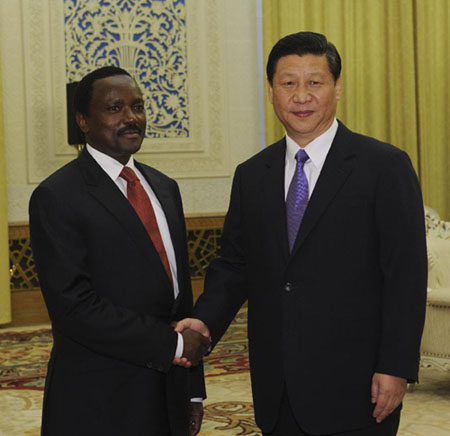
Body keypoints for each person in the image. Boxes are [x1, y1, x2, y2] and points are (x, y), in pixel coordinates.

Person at [175, 32, 428, 436]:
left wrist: (395, 366)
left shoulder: (384, 167)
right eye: (288, 83)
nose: (301, 96)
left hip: (358, 384)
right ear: (272, 91)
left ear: (337, 88)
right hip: (277, 385)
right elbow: (235, 264)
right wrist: (205, 322)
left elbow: (406, 277)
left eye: (315, 82)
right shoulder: (253, 174)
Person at [29, 66, 209, 436]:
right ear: (83, 120)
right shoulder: (57, 196)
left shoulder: (164, 187)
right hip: (100, 399)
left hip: (169, 390)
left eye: (138, 106)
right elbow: (74, 308)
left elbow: (181, 297)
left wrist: (193, 392)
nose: (131, 118)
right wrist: (173, 343)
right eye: (114, 108)